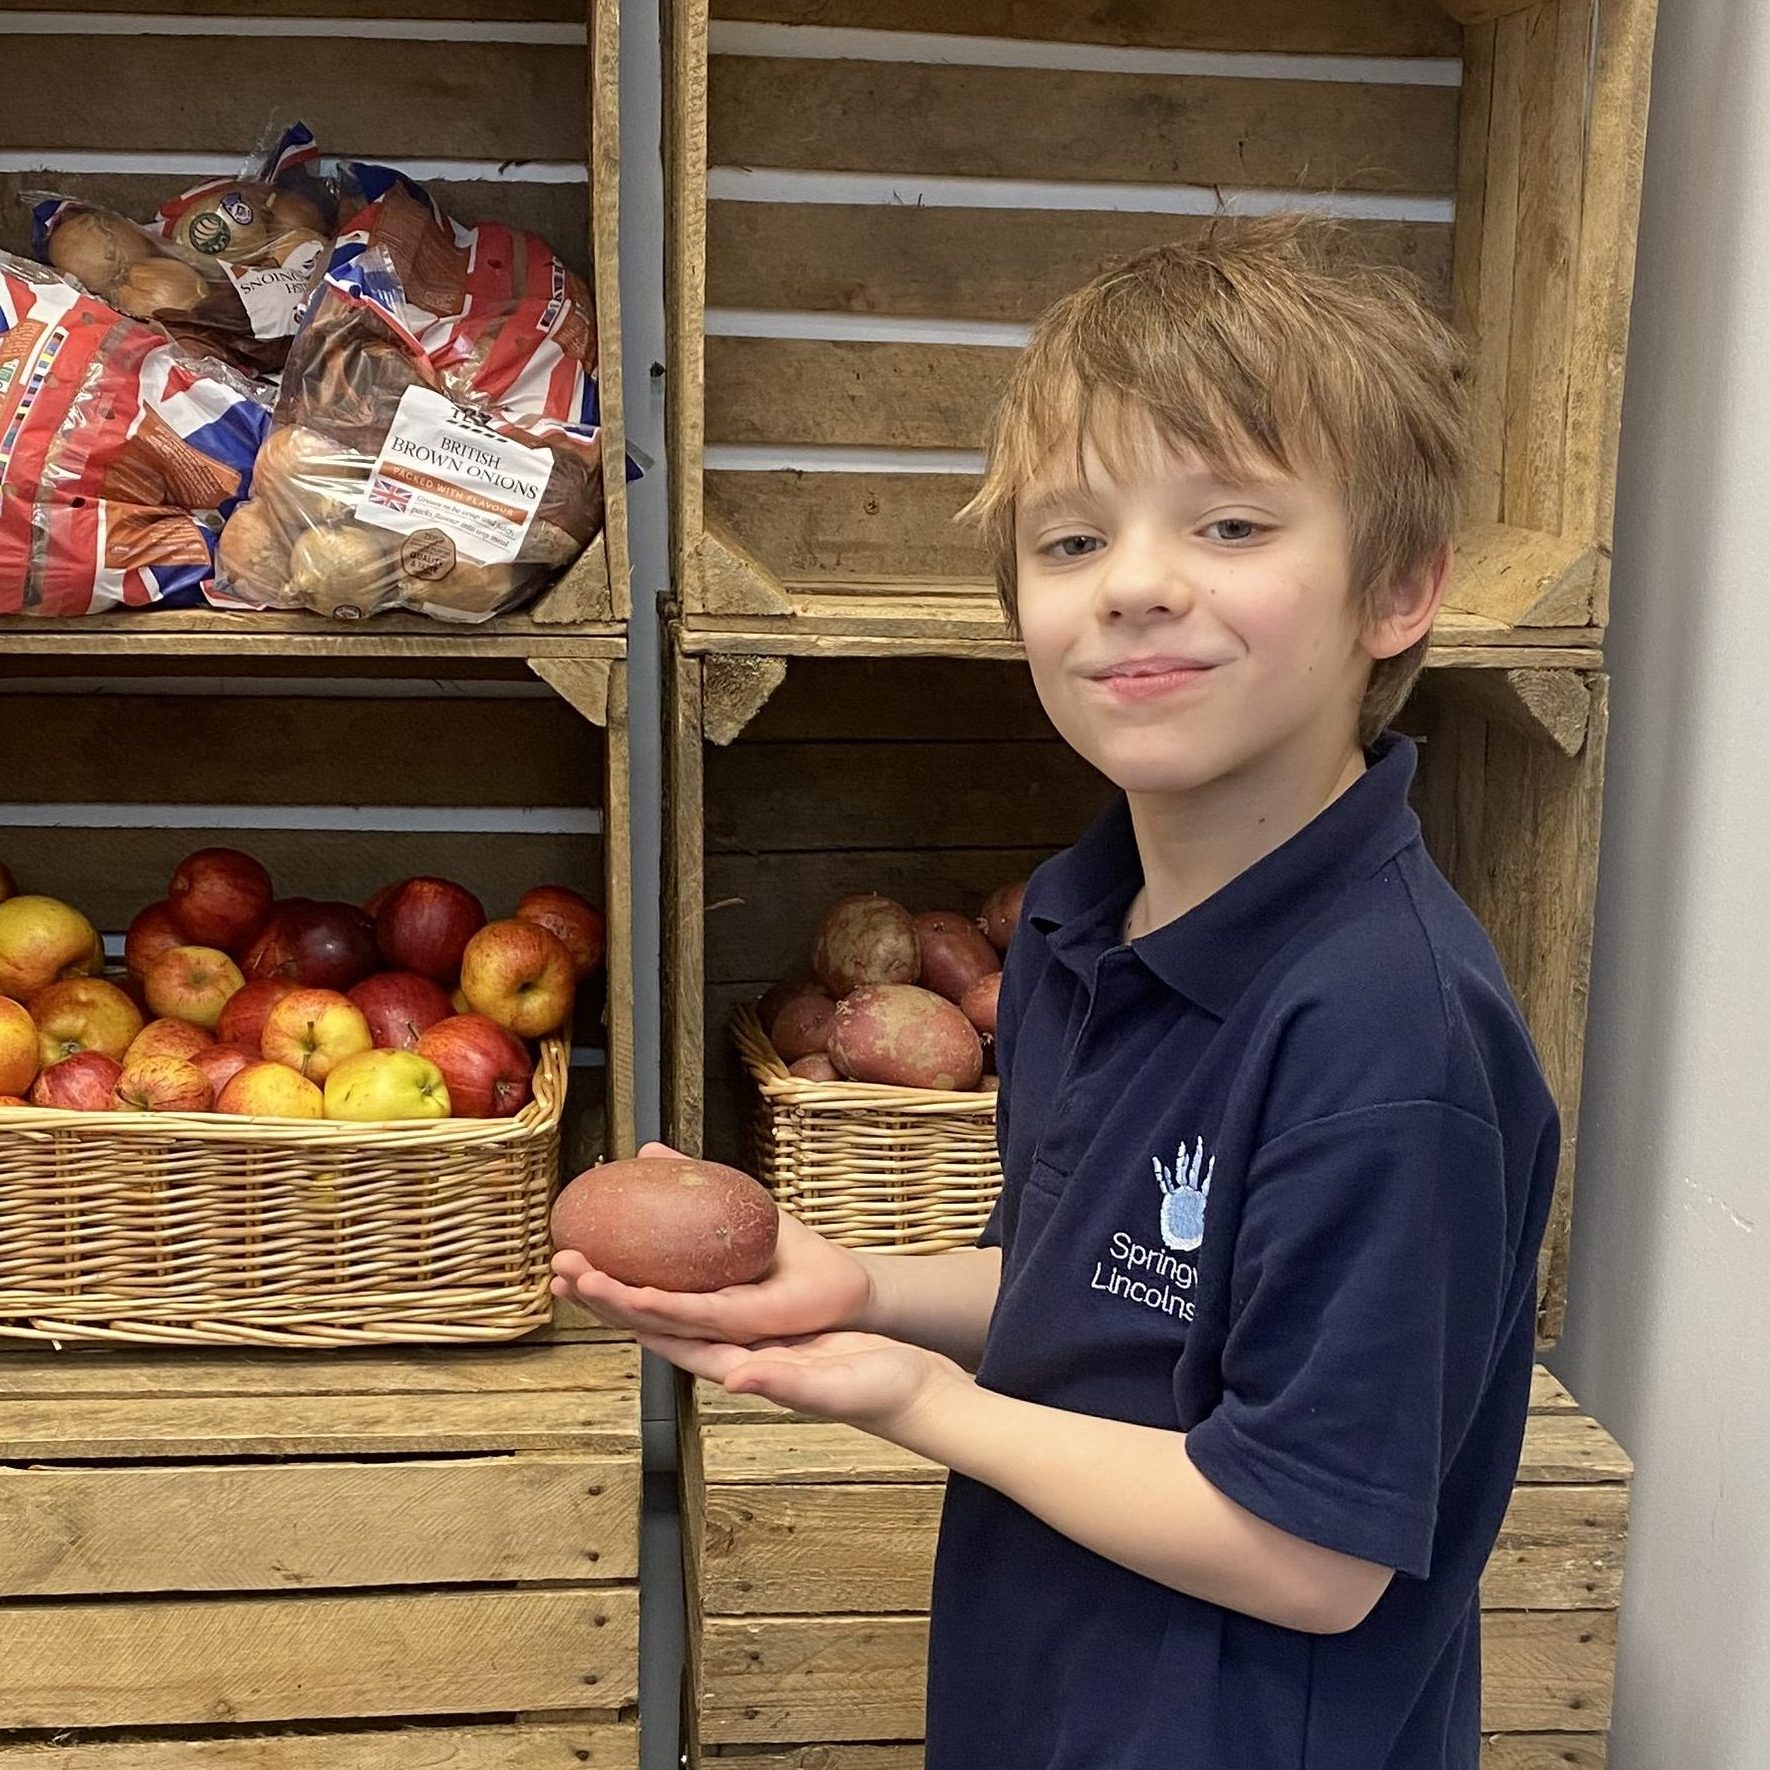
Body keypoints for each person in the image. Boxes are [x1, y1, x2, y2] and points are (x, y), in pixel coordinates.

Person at [554, 221, 1560, 1770]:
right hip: (1044, 1698)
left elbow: (1310, 1552)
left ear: (1399, 588)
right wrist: (860, 1287)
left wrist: (911, 1399)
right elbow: (1100, 1293)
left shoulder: (1386, 1032)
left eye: (1230, 524)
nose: (1134, 586)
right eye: (1071, 540)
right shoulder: (1087, 924)